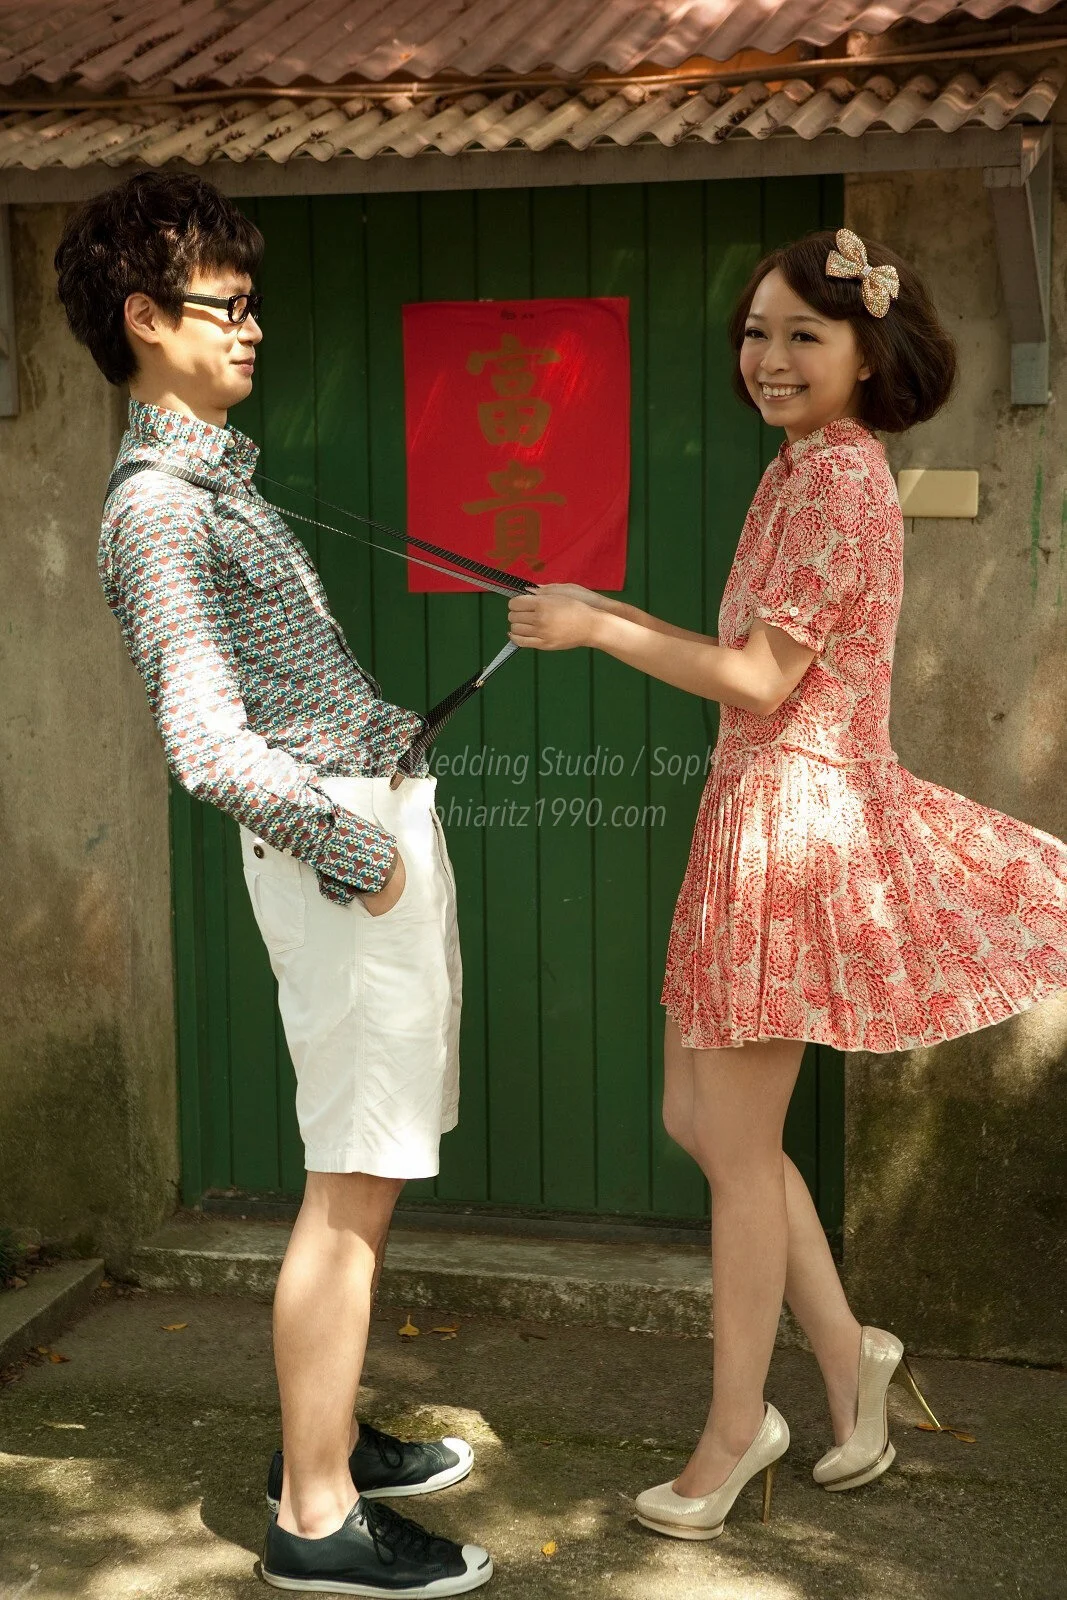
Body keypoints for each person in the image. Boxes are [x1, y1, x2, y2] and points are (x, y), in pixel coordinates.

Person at [507, 227, 1067, 1540]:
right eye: (755, 333)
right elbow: (752, 661)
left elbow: (761, 679)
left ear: (867, 352)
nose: (768, 357)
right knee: (708, 1128)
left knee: (736, 1151)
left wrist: (599, 629)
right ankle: (848, 1356)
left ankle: (733, 1430)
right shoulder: (803, 470)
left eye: (801, 335)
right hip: (754, 819)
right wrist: (611, 616)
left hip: (794, 833)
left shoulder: (837, 483)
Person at [55, 171, 491, 1596]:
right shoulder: (154, 512)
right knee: (348, 1191)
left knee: (369, 1172)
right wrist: (361, 855)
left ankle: (328, 1437)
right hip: (336, 860)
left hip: (357, 840)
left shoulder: (205, 484)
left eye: (253, 304)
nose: (252, 325)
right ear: (144, 317)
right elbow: (203, 744)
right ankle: (315, 1516)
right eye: (225, 304)